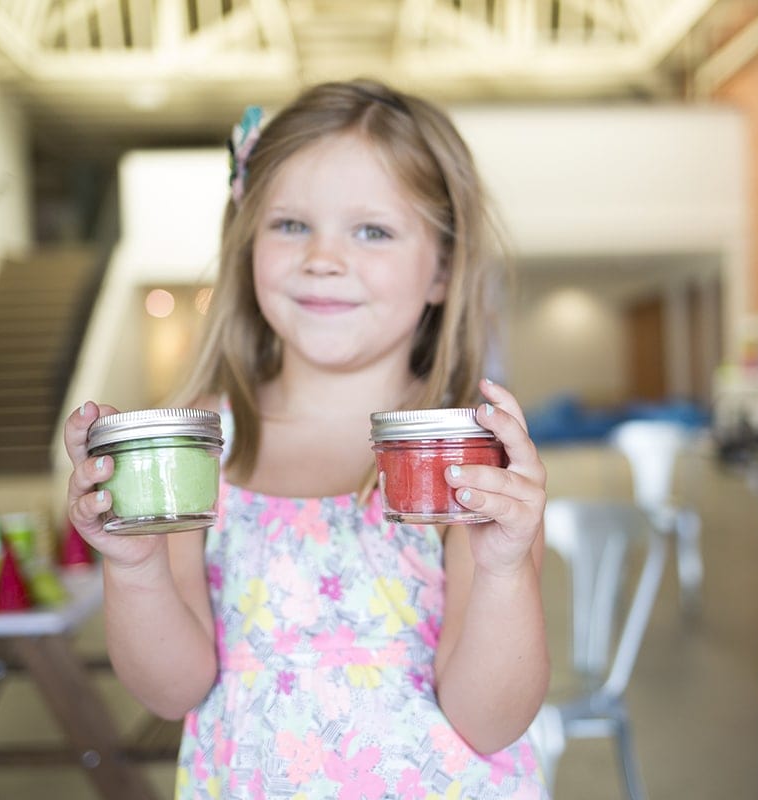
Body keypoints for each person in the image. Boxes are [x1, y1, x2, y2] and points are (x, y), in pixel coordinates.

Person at [63, 79, 550, 798]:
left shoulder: (465, 456)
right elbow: (172, 692)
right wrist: (135, 568)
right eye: (290, 224)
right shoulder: (204, 442)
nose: (323, 257)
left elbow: (487, 720)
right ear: (247, 239)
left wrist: (507, 571)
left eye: (372, 230)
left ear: (443, 268)